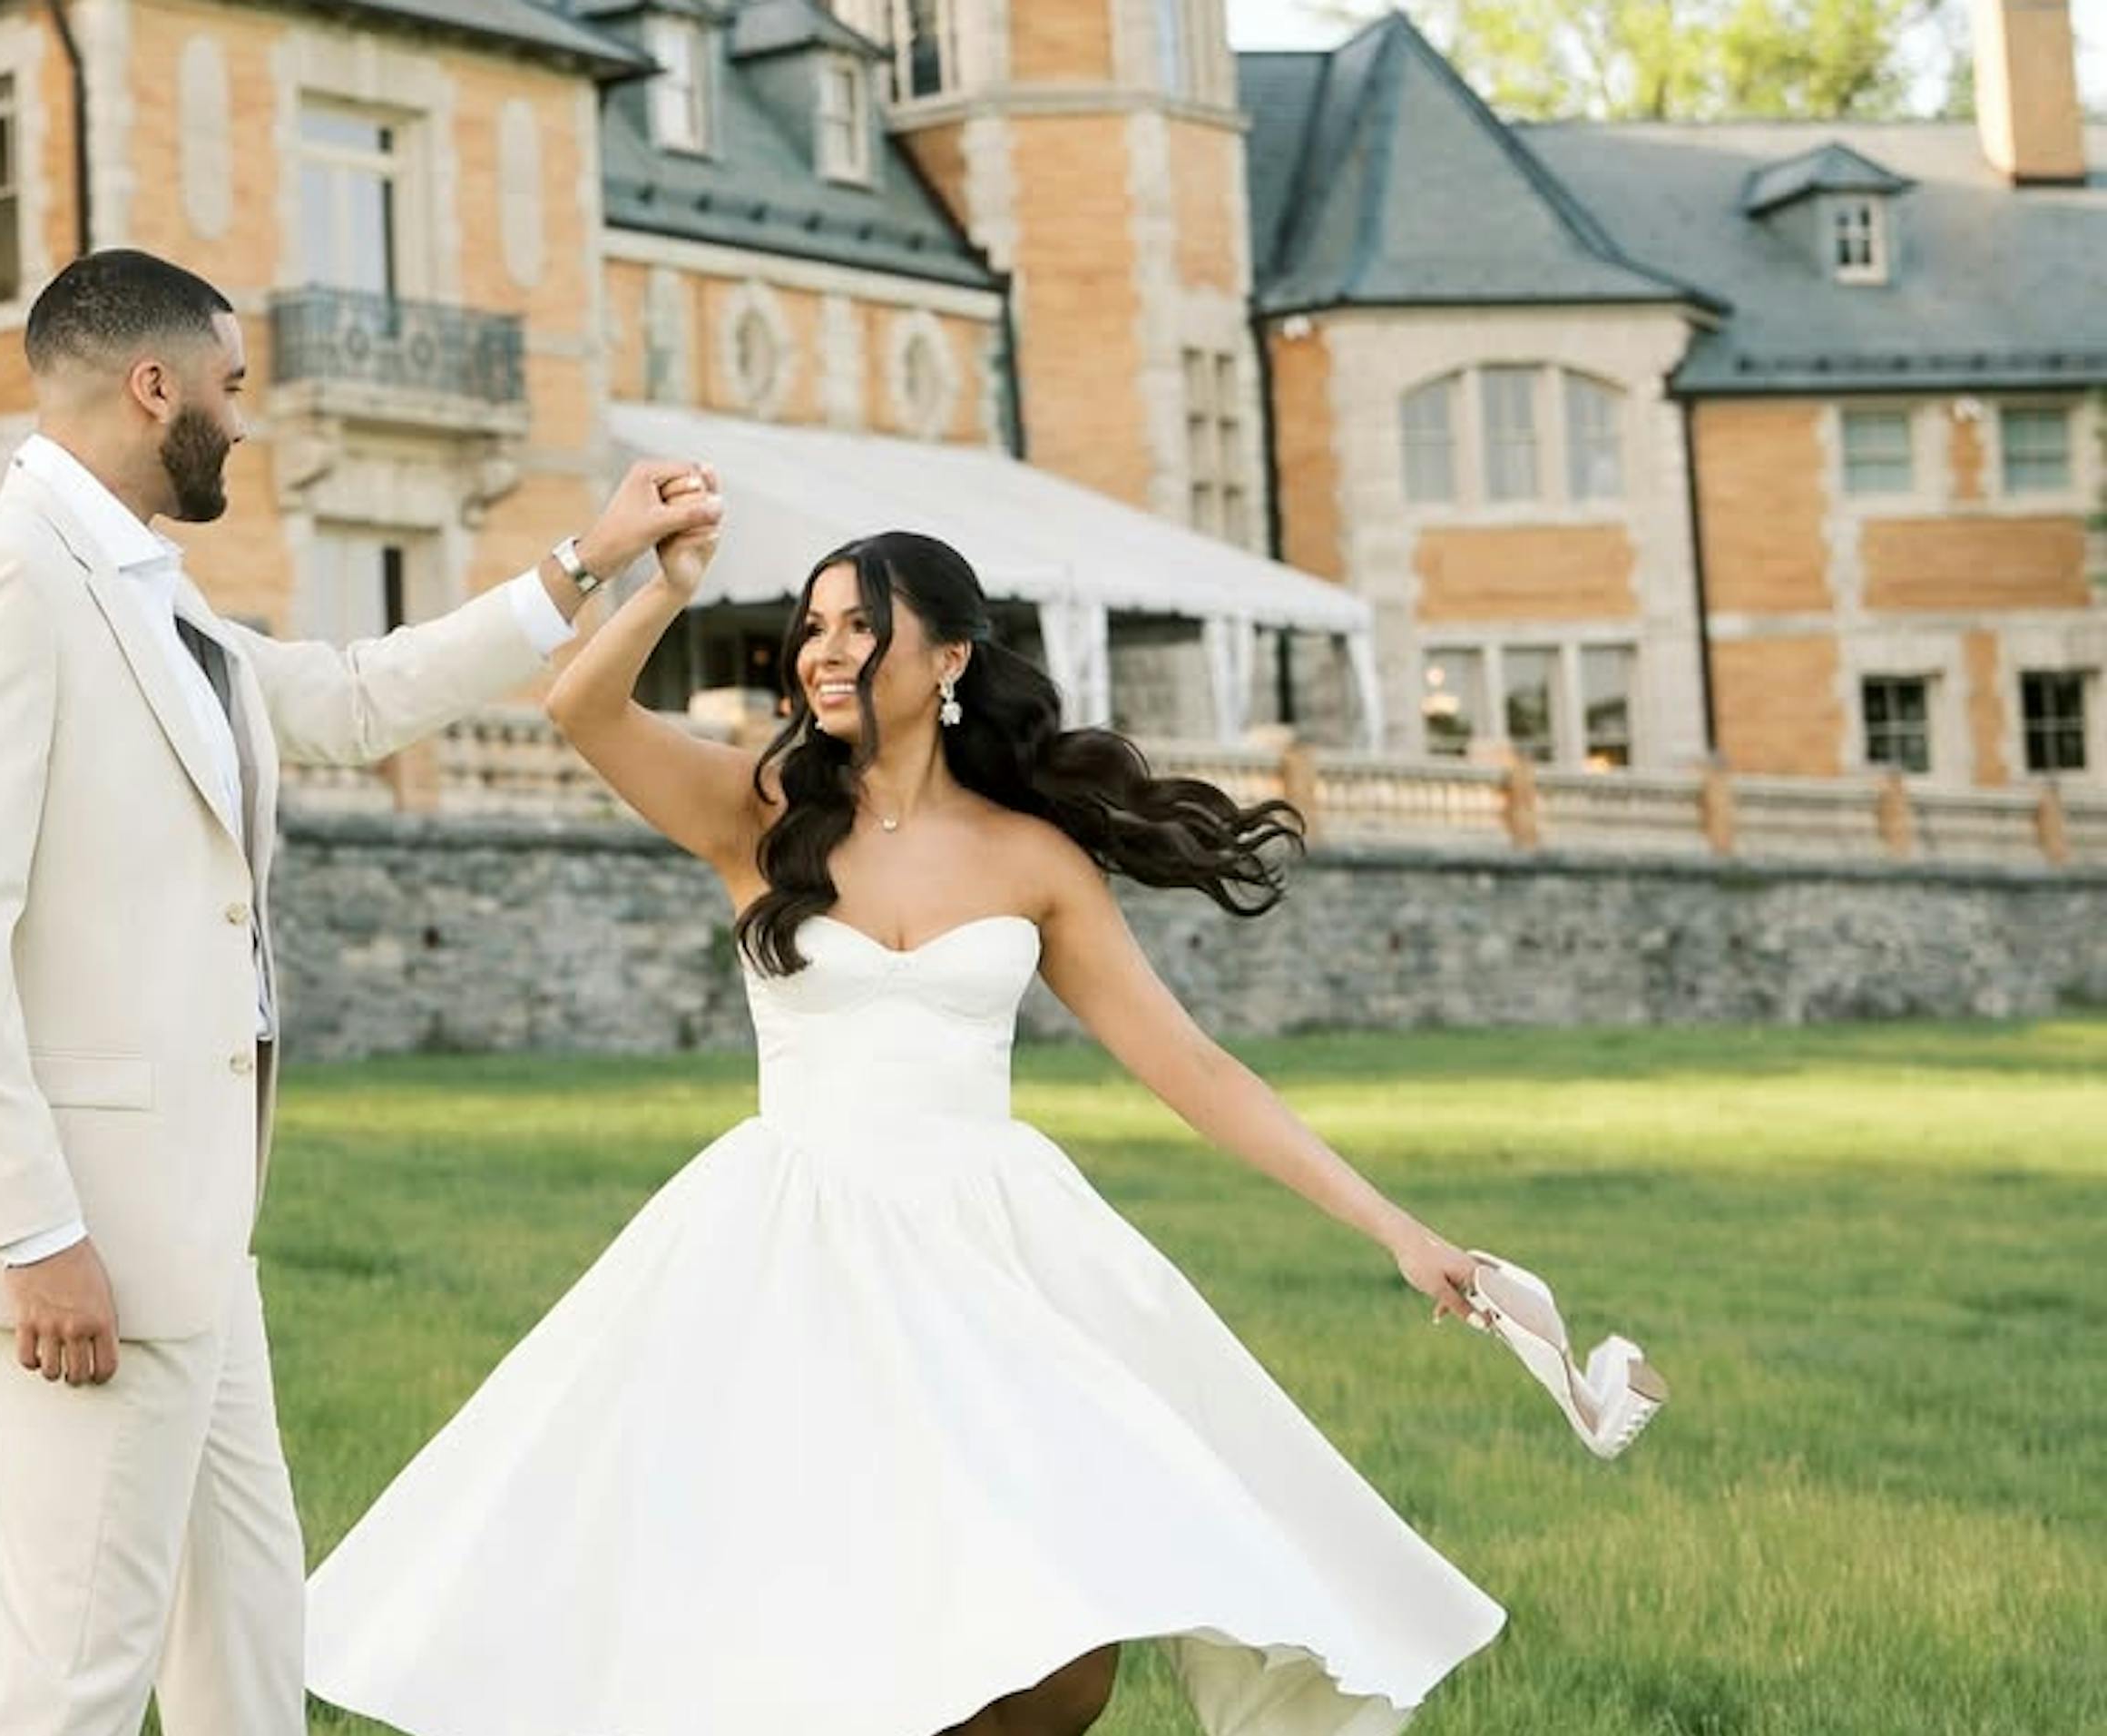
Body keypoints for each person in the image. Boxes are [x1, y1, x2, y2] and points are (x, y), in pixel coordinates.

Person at [303, 512, 1507, 1736]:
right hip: (792, 1247)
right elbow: (583, 706)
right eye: (810, 628)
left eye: (861, 626)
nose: (823, 651)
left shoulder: (1032, 856)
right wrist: (663, 583)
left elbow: (1192, 1065)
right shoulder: (755, 811)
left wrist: (1397, 1228)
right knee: (837, 1620)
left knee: (1060, 1667)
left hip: (993, 1252)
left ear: (950, 660)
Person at [0, 247, 720, 1736]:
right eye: (231, 387)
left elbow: (355, 695)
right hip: (96, 1234)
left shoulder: (149, 591)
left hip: (198, 1226)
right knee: (69, 1657)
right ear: (155, 387)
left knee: (248, 1628)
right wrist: (37, 1232)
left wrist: (583, 563)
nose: (243, 423)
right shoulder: (2, 582)